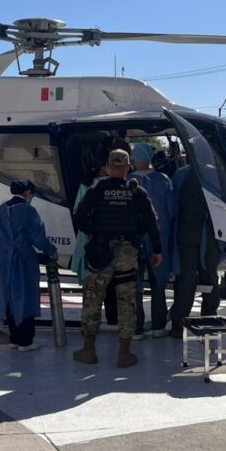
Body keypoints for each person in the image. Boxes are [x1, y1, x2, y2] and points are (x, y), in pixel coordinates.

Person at [72, 148, 162, 367]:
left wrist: (91, 232)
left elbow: (79, 217)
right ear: (127, 168)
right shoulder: (137, 192)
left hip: (100, 251)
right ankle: (124, 353)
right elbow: (151, 223)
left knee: (93, 298)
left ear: (108, 167)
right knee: (126, 301)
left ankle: (88, 350)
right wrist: (157, 250)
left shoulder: (97, 189)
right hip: (127, 252)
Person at [0, 179, 57, 350]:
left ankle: (14, 338)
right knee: (25, 297)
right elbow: (37, 236)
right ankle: (26, 341)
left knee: (9, 298)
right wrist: (50, 250)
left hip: (3, 260)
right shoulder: (28, 210)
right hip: (23, 260)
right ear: (28, 193)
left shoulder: (1, 209)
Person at [170, 162, 221, 337]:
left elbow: (173, 202)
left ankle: (178, 323)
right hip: (209, 230)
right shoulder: (214, 173)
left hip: (185, 230)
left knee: (185, 276)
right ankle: (209, 318)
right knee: (210, 273)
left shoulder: (181, 174)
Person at [130, 143, 175, 337]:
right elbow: (171, 210)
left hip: (134, 239)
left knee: (135, 283)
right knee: (159, 282)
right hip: (159, 237)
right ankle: (158, 325)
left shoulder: (128, 181)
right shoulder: (163, 180)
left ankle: (136, 328)